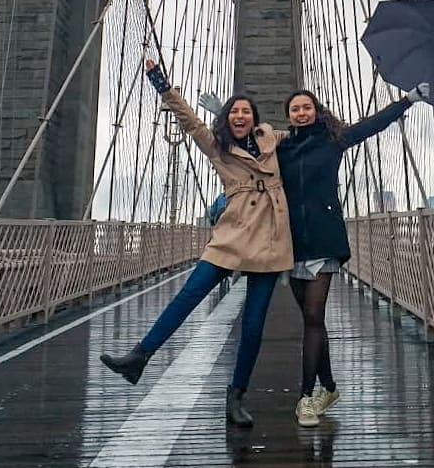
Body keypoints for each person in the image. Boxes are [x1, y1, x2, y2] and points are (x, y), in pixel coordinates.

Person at [100, 59, 293, 428]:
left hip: (269, 238)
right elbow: (190, 121)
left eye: (245, 112)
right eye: (234, 112)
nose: (240, 116)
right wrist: (161, 83)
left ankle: (236, 397)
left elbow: (308, 136)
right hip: (233, 234)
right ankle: (139, 357)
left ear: (255, 118)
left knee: (253, 326)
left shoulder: (274, 139)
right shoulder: (217, 146)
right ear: (227, 117)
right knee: (188, 296)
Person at [277, 84, 430, 427]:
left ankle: (305, 399)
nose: (301, 113)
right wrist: (223, 120)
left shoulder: (334, 140)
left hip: (325, 239)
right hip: (292, 243)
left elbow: (373, 124)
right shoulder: (282, 148)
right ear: (289, 116)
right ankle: (329, 387)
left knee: (315, 316)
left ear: (316, 110)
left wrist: (407, 100)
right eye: (295, 109)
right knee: (311, 322)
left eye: (306, 107)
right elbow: (248, 154)